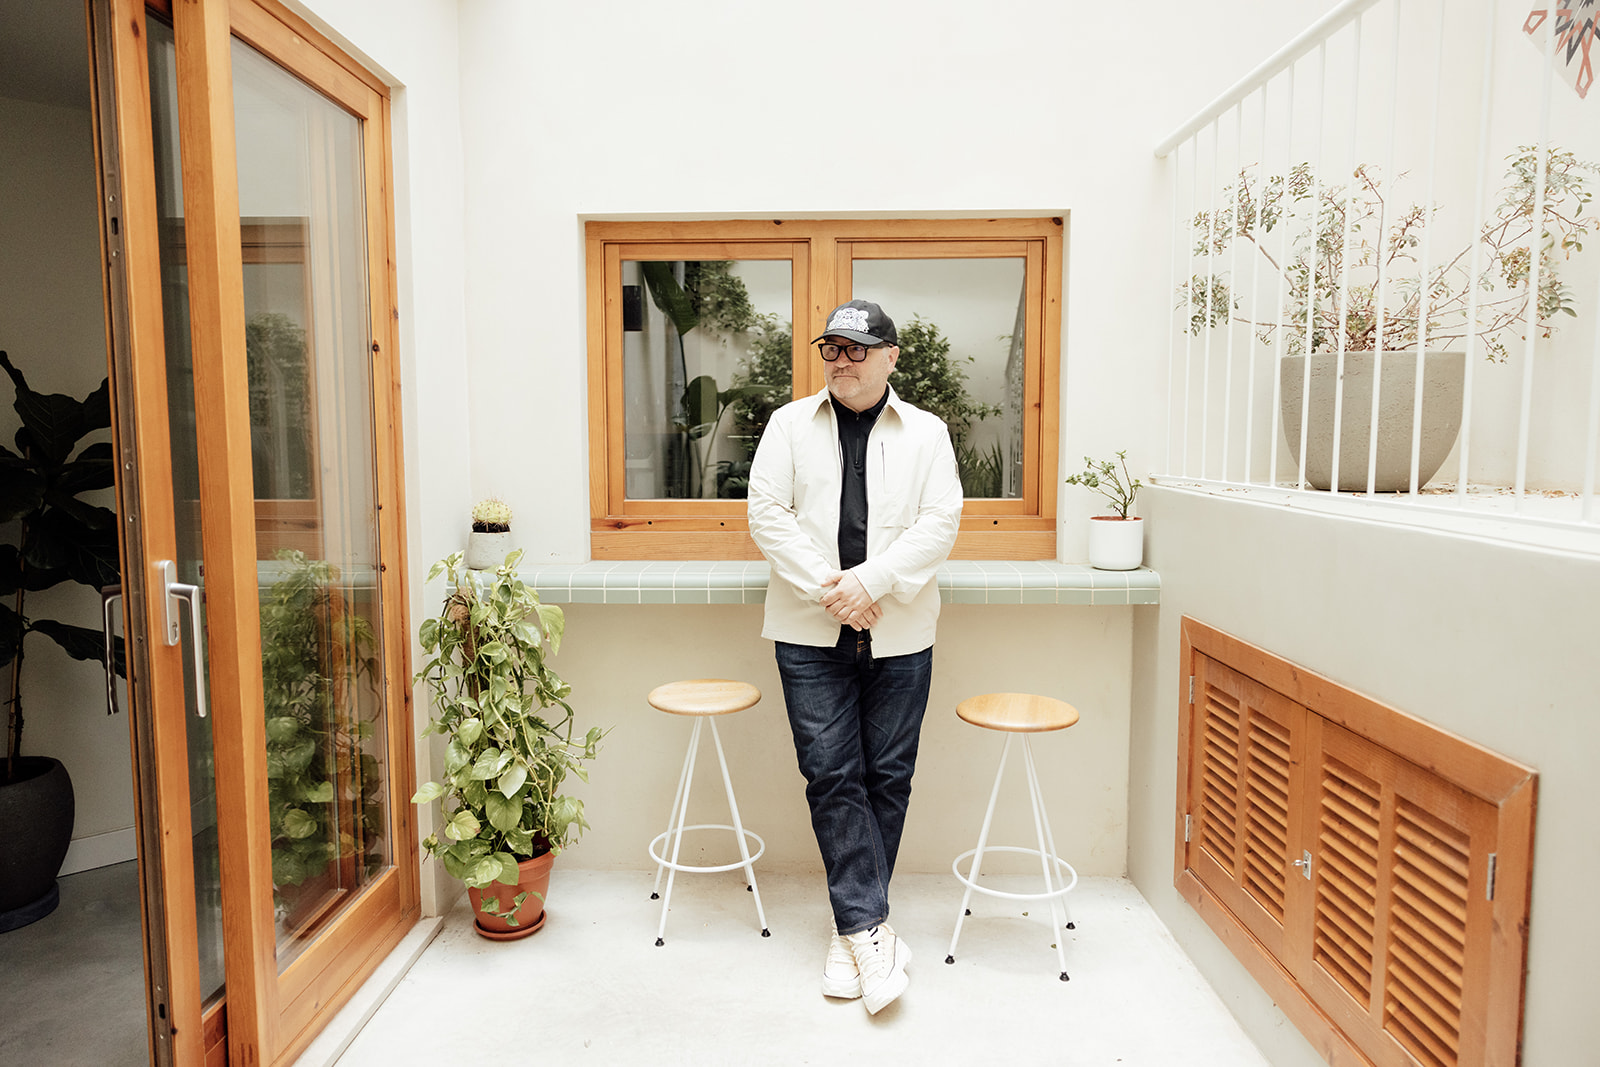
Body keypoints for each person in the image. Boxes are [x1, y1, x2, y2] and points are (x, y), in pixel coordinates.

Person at [747, 298, 963, 1014]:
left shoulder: (927, 434)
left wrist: (871, 582)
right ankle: (870, 928)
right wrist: (834, 590)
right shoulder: (788, 426)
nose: (842, 360)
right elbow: (766, 513)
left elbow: (940, 522)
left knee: (887, 777)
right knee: (832, 774)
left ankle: (853, 933)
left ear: (891, 356)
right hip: (810, 633)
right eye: (832, 348)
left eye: (858, 348)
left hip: (900, 630)